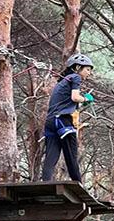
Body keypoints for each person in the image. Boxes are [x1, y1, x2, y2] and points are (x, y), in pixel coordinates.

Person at [41, 53, 95, 182]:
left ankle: (45, 184)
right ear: (77, 67)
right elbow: (75, 97)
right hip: (62, 120)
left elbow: (67, 101)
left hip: (50, 122)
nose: (89, 73)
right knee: (71, 155)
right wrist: (85, 99)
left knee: (51, 158)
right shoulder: (75, 77)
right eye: (87, 69)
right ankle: (79, 185)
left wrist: (80, 102)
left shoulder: (62, 82)